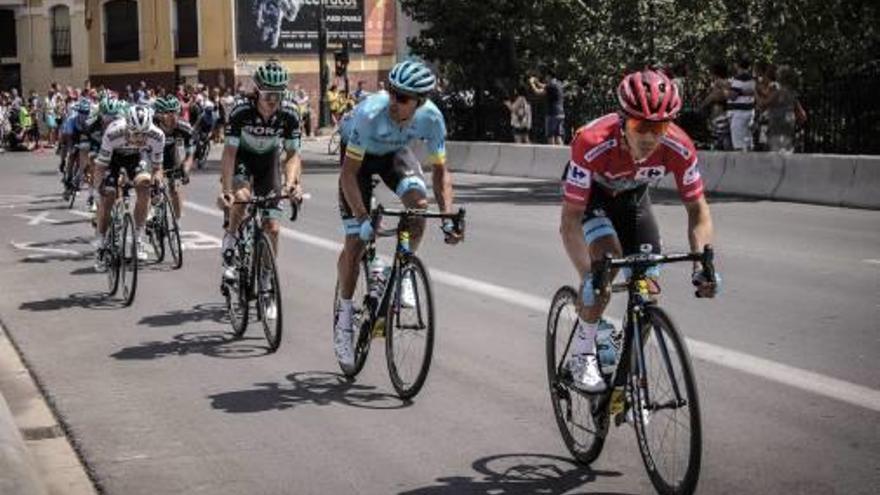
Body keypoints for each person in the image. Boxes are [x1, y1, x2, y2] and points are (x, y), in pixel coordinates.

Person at [559, 69, 720, 392]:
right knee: (606, 269)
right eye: (640, 126)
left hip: (633, 200)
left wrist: (702, 263)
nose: (649, 136)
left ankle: (628, 376)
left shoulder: (680, 146)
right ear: (622, 120)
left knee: (647, 289)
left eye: (659, 127)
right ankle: (582, 354)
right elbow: (569, 222)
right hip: (594, 197)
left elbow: (697, 209)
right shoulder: (591, 142)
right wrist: (588, 274)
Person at [333, 59, 463, 369]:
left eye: (402, 98)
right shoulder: (370, 113)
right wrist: (363, 218)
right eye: (392, 92)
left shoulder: (432, 119)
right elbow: (348, 175)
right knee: (355, 241)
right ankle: (345, 317)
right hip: (358, 163)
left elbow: (441, 172)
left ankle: (402, 268)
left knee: (419, 206)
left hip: (393, 156)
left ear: (420, 102)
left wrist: (446, 216)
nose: (393, 101)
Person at [218, 61, 304, 304]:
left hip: (268, 162)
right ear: (257, 91)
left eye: (278, 94)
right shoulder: (240, 111)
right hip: (242, 158)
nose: (272, 100)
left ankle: (266, 280)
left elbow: (292, 155)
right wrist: (226, 191)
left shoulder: (290, 112)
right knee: (243, 198)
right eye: (267, 94)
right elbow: (229, 153)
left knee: (273, 227)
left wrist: (291, 183)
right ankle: (232, 236)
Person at [93, 105, 166, 270]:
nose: (140, 138)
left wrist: (157, 183)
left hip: (136, 158)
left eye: (144, 134)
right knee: (108, 195)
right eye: (135, 133)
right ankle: (101, 244)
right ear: (127, 127)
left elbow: (157, 167)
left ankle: (138, 238)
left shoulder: (157, 135)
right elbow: (100, 166)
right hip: (113, 158)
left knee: (145, 185)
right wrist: (97, 190)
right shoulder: (113, 133)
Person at [153, 96, 195, 219]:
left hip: (171, 154)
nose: (172, 117)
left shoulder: (184, 126)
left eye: (175, 112)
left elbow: (190, 154)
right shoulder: (151, 125)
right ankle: (152, 212)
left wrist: (186, 169)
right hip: (153, 155)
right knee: (153, 184)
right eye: (167, 113)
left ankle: (177, 222)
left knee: (174, 188)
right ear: (159, 114)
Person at [764, 65, 807, 153]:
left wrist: (756, 92)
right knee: (787, 146)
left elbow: (764, 104)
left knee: (775, 147)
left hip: (776, 122)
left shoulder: (778, 93)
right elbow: (802, 115)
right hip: (789, 120)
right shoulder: (792, 93)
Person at [727, 56, 756, 151]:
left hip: (739, 114)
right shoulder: (752, 78)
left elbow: (733, 96)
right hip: (749, 112)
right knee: (747, 141)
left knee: (739, 144)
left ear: (737, 65)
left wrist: (726, 91)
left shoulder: (739, 78)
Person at [529, 70, 566, 145]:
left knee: (550, 135)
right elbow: (544, 86)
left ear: (549, 76)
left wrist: (531, 83)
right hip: (561, 113)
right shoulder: (558, 84)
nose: (545, 78)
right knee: (558, 135)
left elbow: (538, 92)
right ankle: (561, 155)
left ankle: (551, 154)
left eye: (546, 77)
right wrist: (537, 82)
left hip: (552, 114)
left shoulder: (550, 85)